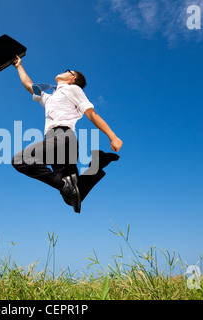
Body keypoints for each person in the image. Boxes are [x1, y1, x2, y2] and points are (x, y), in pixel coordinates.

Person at [11, 55, 123, 213]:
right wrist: (19, 66)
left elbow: (91, 114)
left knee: (20, 159)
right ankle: (97, 165)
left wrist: (113, 136)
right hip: (56, 142)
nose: (62, 71)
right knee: (72, 197)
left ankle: (63, 183)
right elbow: (29, 85)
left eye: (67, 71)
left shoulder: (73, 89)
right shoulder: (49, 98)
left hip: (63, 137)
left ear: (73, 78)